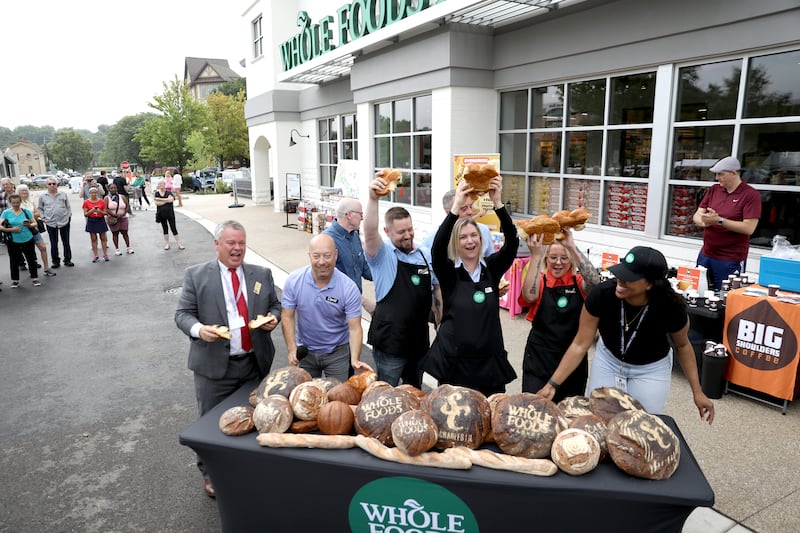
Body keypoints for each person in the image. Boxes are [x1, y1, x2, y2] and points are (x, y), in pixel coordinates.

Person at [537, 246, 715, 424]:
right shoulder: (602, 294)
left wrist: (697, 392)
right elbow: (580, 344)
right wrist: (552, 384)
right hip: (609, 360)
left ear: (649, 283)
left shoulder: (671, 307)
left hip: (650, 368)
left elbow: (683, 346)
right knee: (598, 419)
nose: (620, 280)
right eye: (620, 273)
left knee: (643, 424)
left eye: (629, 277)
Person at [175, 220, 281, 499]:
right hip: (213, 366)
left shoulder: (261, 273)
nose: (237, 249)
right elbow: (183, 314)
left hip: (253, 364)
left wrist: (274, 318)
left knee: (253, 420)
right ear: (217, 244)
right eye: (231, 243)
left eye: (241, 243)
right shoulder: (196, 276)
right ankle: (210, 475)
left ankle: (246, 469)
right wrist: (200, 330)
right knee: (209, 425)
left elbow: (274, 305)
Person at [423, 177, 519, 396]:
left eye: (473, 235)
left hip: (488, 362)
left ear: (481, 238)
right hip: (454, 361)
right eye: (463, 237)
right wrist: (456, 207)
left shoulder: (491, 269)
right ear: (456, 242)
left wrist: (498, 203)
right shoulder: (449, 272)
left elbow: (512, 243)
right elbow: (437, 248)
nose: (469, 241)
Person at [364, 177, 441, 387]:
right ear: (388, 232)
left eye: (410, 229)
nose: (408, 236)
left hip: (418, 341)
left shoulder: (424, 254)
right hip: (390, 342)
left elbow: (436, 292)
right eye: (401, 232)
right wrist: (373, 199)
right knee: (386, 392)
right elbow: (370, 232)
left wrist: (440, 325)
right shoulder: (383, 255)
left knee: (414, 392)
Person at [518, 229, 600, 401]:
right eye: (553, 257)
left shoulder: (579, 283)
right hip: (539, 360)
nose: (558, 263)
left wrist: (572, 247)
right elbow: (529, 296)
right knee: (536, 409)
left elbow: (595, 283)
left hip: (572, 362)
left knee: (568, 414)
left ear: (571, 260)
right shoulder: (540, 281)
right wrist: (535, 256)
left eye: (564, 258)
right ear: (546, 259)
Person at [281, 234, 374, 382]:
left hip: (337, 352)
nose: (322, 262)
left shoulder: (348, 288)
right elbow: (287, 315)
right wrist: (292, 349)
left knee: (338, 399)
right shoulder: (294, 281)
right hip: (305, 351)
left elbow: (355, 328)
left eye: (327, 256)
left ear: (336, 255)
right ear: (309, 256)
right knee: (305, 398)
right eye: (316, 256)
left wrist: (355, 359)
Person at [692, 156, 761, 290]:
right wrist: (704, 222)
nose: (717, 178)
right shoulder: (714, 190)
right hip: (706, 253)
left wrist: (719, 220)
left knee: (725, 297)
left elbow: (749, 228)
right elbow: (697, 214)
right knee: (699, 291)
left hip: (730, 258)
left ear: (734, 173)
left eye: (720, 174)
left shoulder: (750, 195)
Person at [322, 197, 374, 312]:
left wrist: (386, 275)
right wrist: (364, 302)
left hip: (353, 306)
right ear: (349, 215)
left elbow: (365, 269)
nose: (362, 217)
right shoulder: (326, 241)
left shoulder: (355, 236)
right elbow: (329, 281)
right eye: (360, 214)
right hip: (335, 308)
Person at [422, 188, 494, 257]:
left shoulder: (483, 231)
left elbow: (492, 264)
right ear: (448, 213)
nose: (470, 212)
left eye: (471, 207)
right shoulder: (433, 238)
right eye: (464, 209)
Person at [1, 193, 41, 287]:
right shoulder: (6, 213)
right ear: (10, 203)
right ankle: (15, 280)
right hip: (12, 240)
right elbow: (0, 226)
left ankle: (34, 278)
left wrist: (29, 225)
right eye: (14, 203)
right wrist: (11, 230)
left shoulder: (26, 211)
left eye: (18, 202)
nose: (16, 204)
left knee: (31, 259)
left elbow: (35, 223)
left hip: (27, 238)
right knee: (14, 260)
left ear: (20, 202)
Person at [16, 184, 56, 276]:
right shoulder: (17, 202)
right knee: (28, 252)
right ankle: (32, 272)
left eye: (26, 190)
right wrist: (31, 216)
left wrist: (30, 217)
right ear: (18, 192)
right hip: (23, 231)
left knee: (43, 247)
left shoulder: (30, 201)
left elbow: (37, 213)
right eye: (22, 190)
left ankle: (46, 268)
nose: (24, 192)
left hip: (33, 228)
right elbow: (17, 216)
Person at [38, 176, 74, 267]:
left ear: (57, 184)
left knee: (66, 242)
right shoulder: (43, 196)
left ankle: (67, 259)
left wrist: (69, 216)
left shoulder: (63, 194)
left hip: (64, 221)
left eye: (54, 183)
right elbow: (40, 208)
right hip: (51, 222)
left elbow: (68, 206)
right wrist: (43, 217)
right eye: (50, 184)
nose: (52, 185)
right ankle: (55, 261)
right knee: (54, 243)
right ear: (47, 185)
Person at [154, 178, 185, 250]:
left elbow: (171, 200)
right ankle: (167, 244)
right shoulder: (157, 193)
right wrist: (166, 200)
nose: (160, 185)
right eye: (159, 184)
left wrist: (160, 199)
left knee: (173, 228)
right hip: (161, 214)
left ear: (164, 185)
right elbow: (157, 203)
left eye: (161, 184)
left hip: (170, 213)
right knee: (165, 229)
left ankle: (179, 244)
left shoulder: (169, 192)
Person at [82, 186, 110, 263]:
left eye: (95, 192)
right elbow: (85, 214)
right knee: (93, 238)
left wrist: (99, 211)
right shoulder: (86, 202)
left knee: (103, 238)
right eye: (92, 193)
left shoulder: (101, 201)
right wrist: (92, 210)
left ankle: (105, 254)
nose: (93, 194)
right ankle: (95, 255)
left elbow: (105, 213)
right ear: (89, 193)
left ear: (97, 193)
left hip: (100, 220)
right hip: (91, 220)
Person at [105, 183, 133, 255]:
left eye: (115, 188)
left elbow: (127, 206)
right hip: (113, 218)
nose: (113, 189)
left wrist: (124, 213)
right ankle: (117, 249)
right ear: (109, 189)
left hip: (123, 217)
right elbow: (106, 208)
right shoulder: (107, 198)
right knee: (115, 233)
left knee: (125, 233)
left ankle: (128, 247)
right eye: (111, 188)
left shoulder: (122, 197)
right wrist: (114, 215)